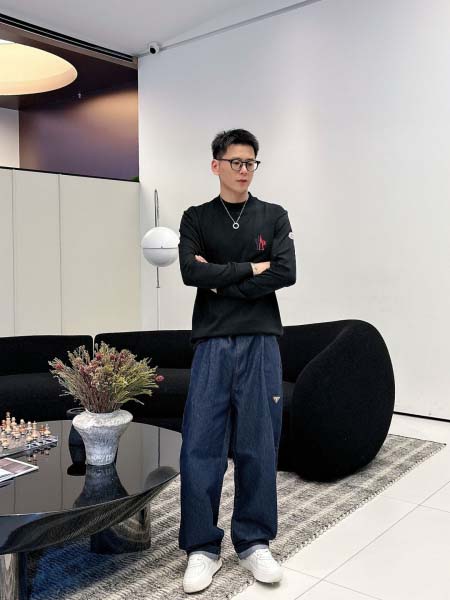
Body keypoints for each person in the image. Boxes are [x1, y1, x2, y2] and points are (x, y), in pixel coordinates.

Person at [177, 128, 296, 594]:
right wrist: (250, 268)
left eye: (251, 163)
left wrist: (220, 280)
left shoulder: (273, 215)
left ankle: (254, 542)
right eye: (236, 162)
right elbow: (191, 271)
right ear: (216, 166)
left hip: (261, 341)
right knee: (200, 445)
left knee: (259, 444)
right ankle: (202, 548)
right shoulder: (196, 217)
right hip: (211, 342)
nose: (244, 170)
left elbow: (286, 271)